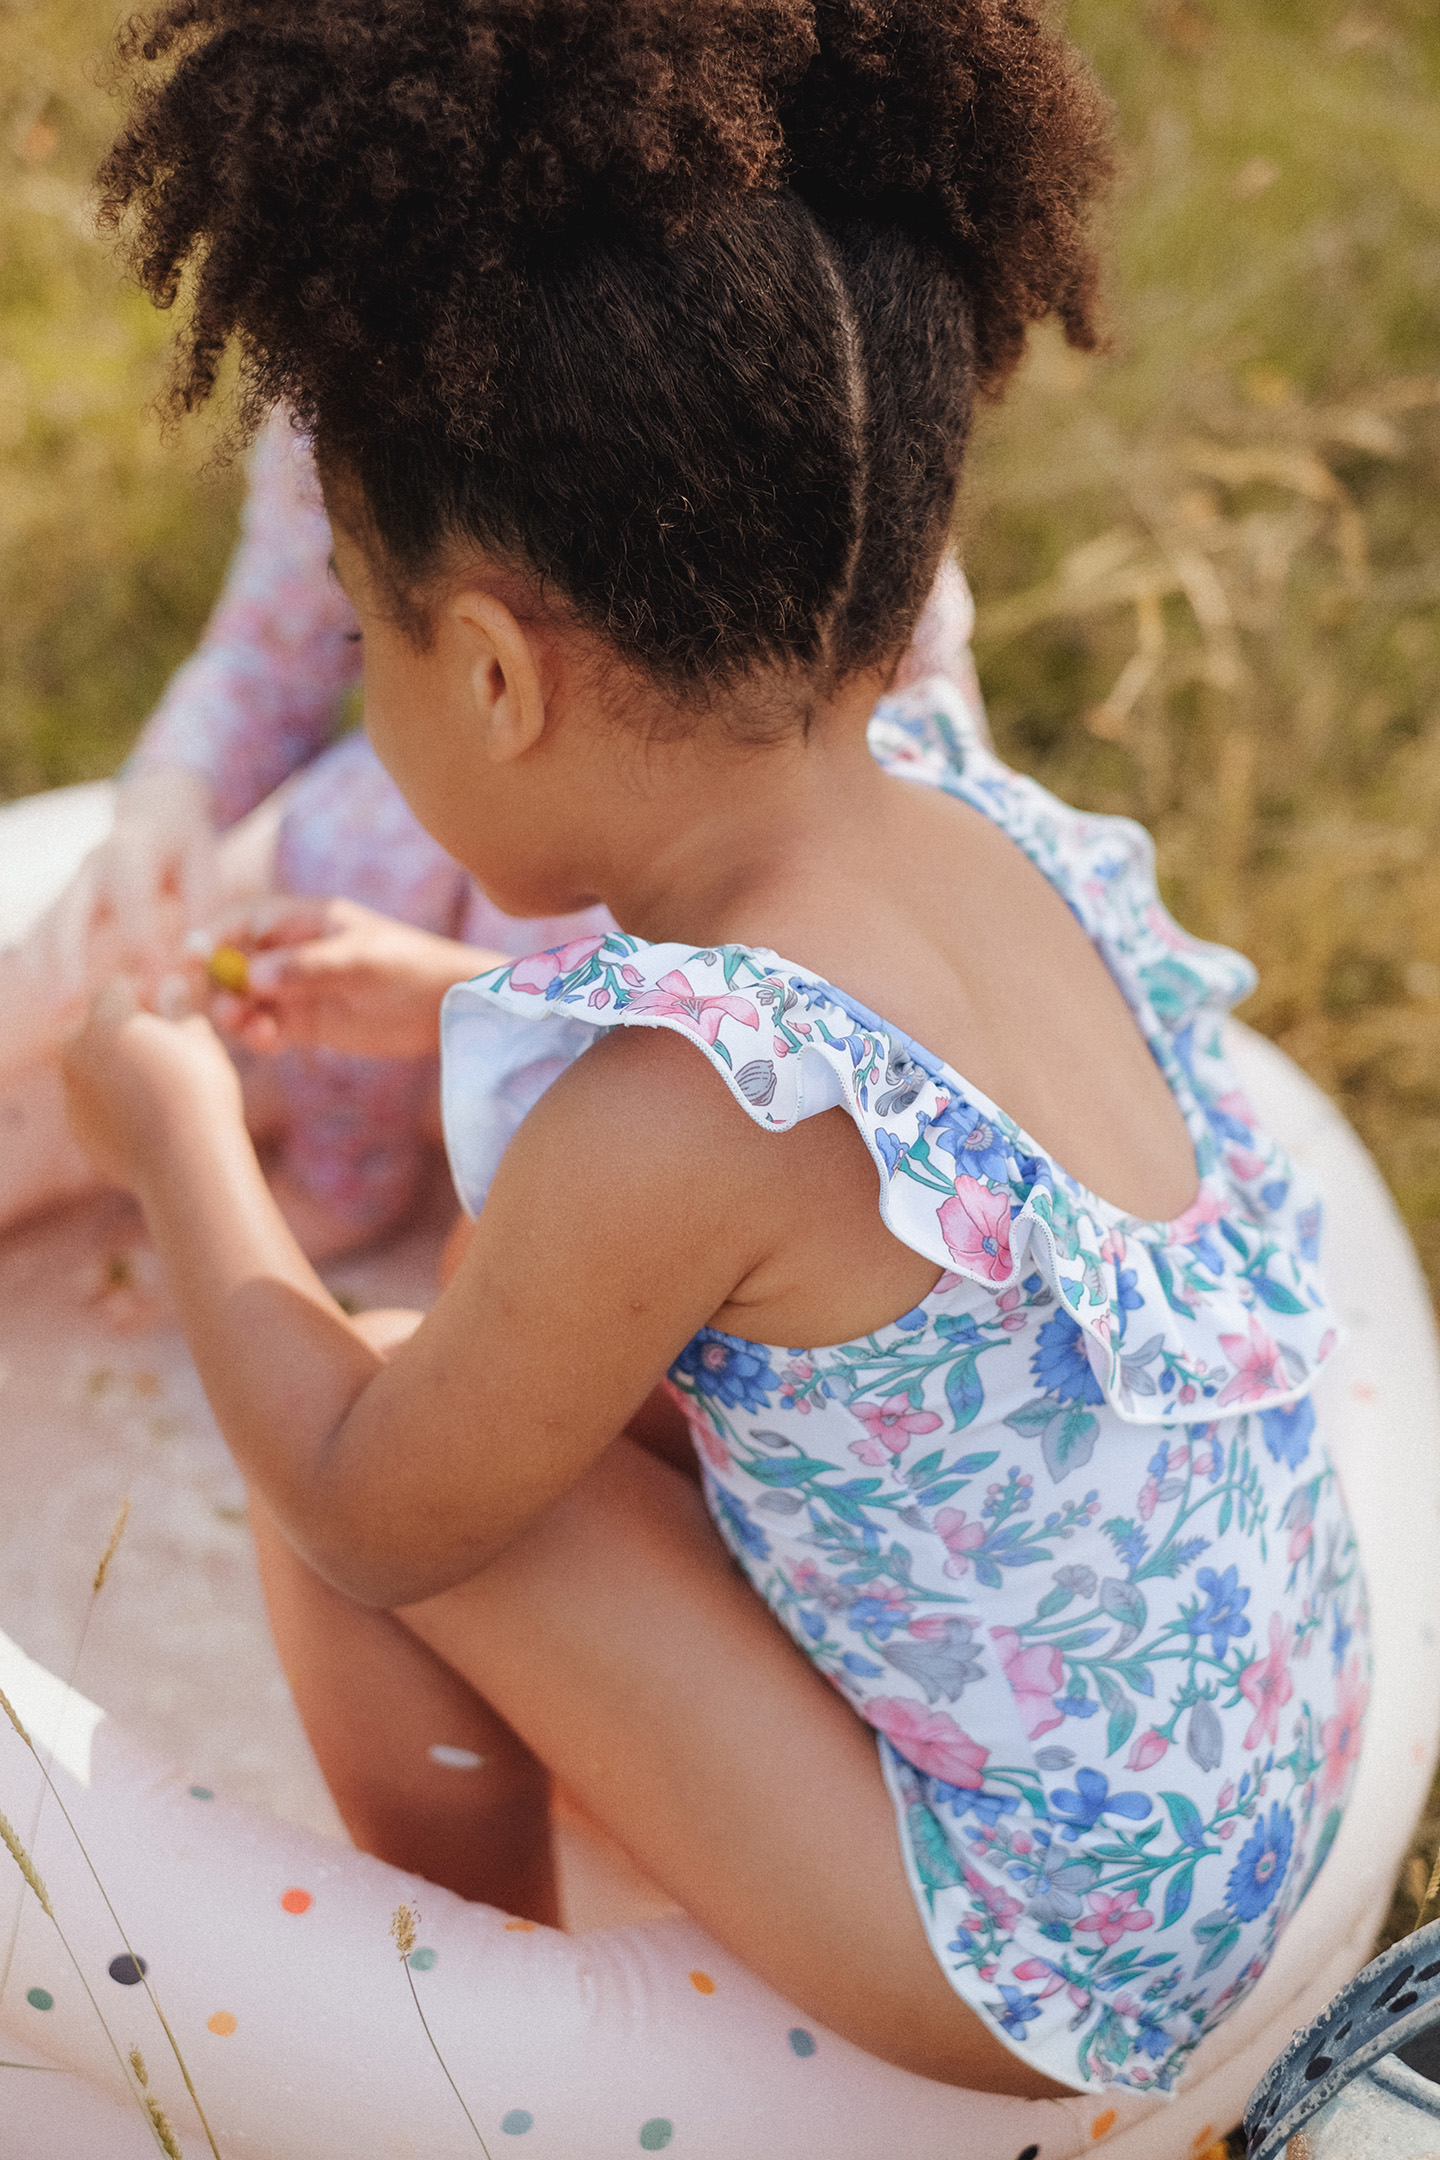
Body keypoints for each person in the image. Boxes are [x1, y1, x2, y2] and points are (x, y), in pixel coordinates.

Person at [63, 0, 1366, 2101]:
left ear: (488, 670)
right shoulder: (966, 819)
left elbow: (368, 1511)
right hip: (1232, 1782)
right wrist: (461, 1000)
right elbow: (861, 1199)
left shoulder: (673, 1120)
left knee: (406, 1433)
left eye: (372, 630)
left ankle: (455, 2033)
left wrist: (173, 1134)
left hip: (1042, 1962)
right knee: (548, 1398)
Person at [0, 408, 982, 1255]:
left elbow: (921, 762)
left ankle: (528, 1158)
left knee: (573, 1201)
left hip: (727, 902)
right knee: (349, 837)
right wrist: (167, 799)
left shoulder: (786, 406)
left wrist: (185, 1160)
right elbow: (271, 646)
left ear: (489, 666)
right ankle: (353, 1161)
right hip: (529, 870)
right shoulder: (341, 404)